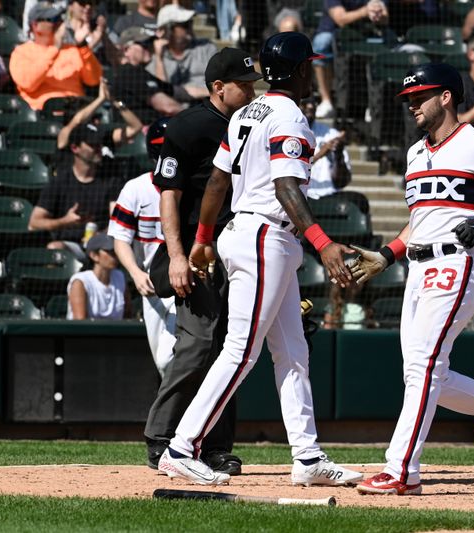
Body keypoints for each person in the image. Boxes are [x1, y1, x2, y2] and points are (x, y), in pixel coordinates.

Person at [157, 32, 363, 488]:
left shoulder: (247, 111)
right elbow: (286, 188)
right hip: (265, 236)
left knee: (293, 352)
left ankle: (307, 457)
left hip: (249, 233)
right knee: (241, 350)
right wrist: (324, 242)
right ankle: (181, 446)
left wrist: (203, 238)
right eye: (310, 65)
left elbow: (216, 182)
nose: (314, 72)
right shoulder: (289, 114)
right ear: (300, 70)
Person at [349, 63, 474, 496]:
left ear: (447, 97)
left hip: (457, 264)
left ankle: (401, 470)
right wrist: (386, 255)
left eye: (421, 96)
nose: (413, 104)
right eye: (409, 99)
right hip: (417, 267)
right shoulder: (416, 154)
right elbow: (419, 222)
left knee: (423, 368)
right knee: (427, 374)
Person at [143, 47, 262, 476]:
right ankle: (161, 436)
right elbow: (169, 195)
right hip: (196, 254)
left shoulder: (257, 123)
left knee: (230, 350)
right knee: (196, 346)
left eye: (254, 84)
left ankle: (214, 446)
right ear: (218, 87)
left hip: (241, 252)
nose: (252, 91)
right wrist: (176, 256)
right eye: (244, 85)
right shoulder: (189, 126)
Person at [108, 118, 177, 377]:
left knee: (176, 357)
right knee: (162, 362)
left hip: (187, 282)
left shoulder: (193, 186)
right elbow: (119, 238)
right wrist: (136, 273)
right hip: (152, 287)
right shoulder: (135, 189)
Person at [28, 123, 121, 261]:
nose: (98, 148)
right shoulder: (60, 181)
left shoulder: (111, 180)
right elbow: (34, 223)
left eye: (99, 144)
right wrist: (65, 221)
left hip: (102, 246)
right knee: (55, 248)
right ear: (75, 148)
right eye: (92, 145)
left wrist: (100, 235)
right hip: (71, 246)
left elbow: (118, 222)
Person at [10, 1, 103, 111]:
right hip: (41, 116)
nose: (58, 24)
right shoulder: (22, 52)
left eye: (60, 20)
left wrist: (82, 46)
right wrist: (54, 49)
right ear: (35, 25)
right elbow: (28, 83)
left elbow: (94, 80)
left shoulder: (73, 50)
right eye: (53, 20)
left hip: (75, 113)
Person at [312, 0, 390, 118]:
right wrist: (366, 11)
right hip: (333, 32)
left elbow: (385, 19)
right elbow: (341, 19)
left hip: (368, 33)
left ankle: (374, 106)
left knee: (389, 44)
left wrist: (377, 13)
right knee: (320, 44)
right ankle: (326, 101)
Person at [300, 96, 369, 214]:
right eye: (306, 103)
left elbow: (342, 182)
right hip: (301, 197)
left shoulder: (331, 134)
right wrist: (322, 153)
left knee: (360, 201)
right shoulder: (289, 132)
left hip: (329, 196)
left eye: (314, 102)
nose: (311, 106)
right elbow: (294, 171)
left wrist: (338, 156)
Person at [147, 3, 218, 103]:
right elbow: (162, 95)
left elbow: (222, 85)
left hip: (209, 107)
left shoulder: (206, 48)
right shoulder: (155, 59)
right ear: (168, 30)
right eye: (185, 25)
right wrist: (159, 59)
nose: (190, 27)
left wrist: (189, 92)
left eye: (190, 22)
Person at [113, 26, 184, 124]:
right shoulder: (129, 73)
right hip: (140, 134)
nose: (150, 48)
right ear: (126, 49)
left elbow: (177, 91)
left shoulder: (140, 73)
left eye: (150, 44)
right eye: (145, 45)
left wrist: (209, 90)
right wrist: (197, 117)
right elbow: (168, 107)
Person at [67, 233, 130, 320]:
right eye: (110, 252)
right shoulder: (80, 282)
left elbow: (128, 315)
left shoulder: (120, 277)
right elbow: (80, 322)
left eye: (116, 251)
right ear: (94, 256)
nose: (115, 256)